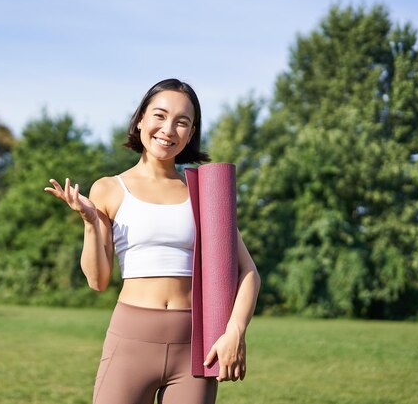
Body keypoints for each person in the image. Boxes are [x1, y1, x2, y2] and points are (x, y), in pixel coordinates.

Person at [44, 78, 261, 404]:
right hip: (131, 341)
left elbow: (248, 273)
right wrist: (90, 222)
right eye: (159, 116)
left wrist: (235, 332)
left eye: (182, 122)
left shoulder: (204, 191)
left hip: (195, 348)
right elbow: (98, 281)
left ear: (190, 133)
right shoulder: (109, 188)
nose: (168, 129)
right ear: (140, 120)